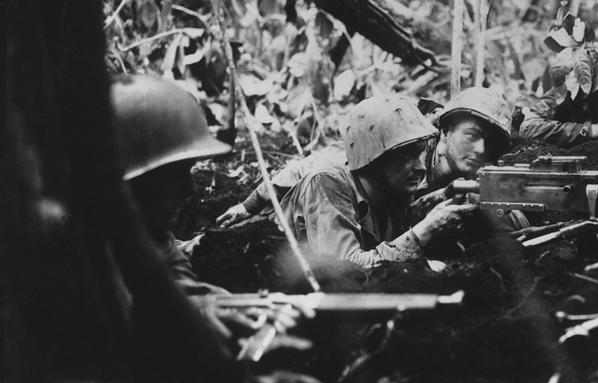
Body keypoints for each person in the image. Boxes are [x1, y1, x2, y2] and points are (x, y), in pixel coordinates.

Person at [216, 86, 513, 227]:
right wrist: (248, 205)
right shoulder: (401, 146)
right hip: (310, 218)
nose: (481, 151)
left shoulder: (474, 177)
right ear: (446, 130)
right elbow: (320, 166)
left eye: (491, 143)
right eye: (471, 136)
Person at [280, 95, 476, 266]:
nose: (421, 167)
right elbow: (344, 272)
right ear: (373, 159)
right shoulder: (327, 183)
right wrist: (424, 232)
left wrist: (444, 196)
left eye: (420, 154)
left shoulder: (388, 187)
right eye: (406, 157)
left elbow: (403, 222)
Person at [111, 73, 232, 290]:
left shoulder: (153, 233)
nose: (189, 189)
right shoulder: (75, 254)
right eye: (171, 176)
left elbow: (180, 280)